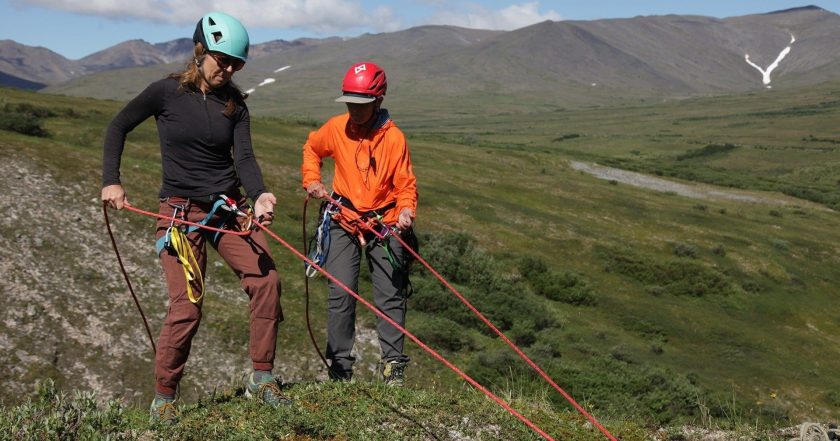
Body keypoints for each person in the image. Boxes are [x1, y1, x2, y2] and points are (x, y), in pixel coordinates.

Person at [101, 11, 288, 423]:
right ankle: (164, 399)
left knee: (267, 280)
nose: (229, 69)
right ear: (200, 50)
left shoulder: (235, 105)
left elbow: (246, 158)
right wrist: (111, 181)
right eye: (223, 60)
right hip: (180, 214)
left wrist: (259, 195)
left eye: (236, 63)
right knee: (186, 305)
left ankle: (262, 379)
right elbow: (118, 127)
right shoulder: (164, 93)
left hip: (227, 209)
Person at [301, 61, 418, 386]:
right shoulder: (337, 128)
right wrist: (311, 179)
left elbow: (406, 184)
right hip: (343, 219)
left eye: (361, 104)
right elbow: (312, 148)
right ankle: (340, 372)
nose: (354, 109)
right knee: (341, 293)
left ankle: (393, 369)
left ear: (378, 101)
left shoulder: (394, 139)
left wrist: (407, 210)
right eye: (350, 102)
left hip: (386, 222)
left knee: (390, 295)